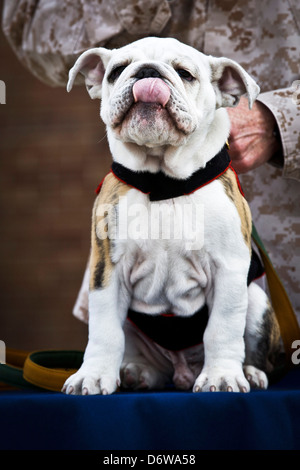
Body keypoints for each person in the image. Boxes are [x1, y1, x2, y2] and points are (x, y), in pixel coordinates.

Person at [2, 0, 299, 321]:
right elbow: (29, 36)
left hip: (286, 247)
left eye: (183, 73)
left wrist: (282, 120)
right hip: (142, 265)